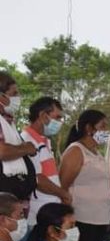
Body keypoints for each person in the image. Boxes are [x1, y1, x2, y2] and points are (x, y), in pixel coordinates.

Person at [59, 109, 110, 241]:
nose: (106, 130)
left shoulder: (97, 153)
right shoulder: (76, 150)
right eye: (102, 126)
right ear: (89, 128)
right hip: (83, 217)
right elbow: (63, 186)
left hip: (101, 218)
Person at [22, 98, 72, 232]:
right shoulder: (27, 141)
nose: (60, 123)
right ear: (43, 116)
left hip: (48, 212)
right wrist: (64, 194)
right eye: (57, 117)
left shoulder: (44, 141)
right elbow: (38, 179)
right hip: (37, 216)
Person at [0, 73, 39, 207]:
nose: (18, 97)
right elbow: (2, 152)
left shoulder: (8, 121)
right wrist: (26, 148)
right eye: (14, 93)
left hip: (15, 200)